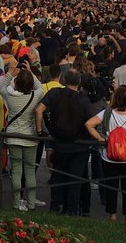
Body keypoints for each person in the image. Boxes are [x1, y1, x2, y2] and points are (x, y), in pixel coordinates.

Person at [36, 68, 94, 216]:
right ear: (79, 82)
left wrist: (40, 130)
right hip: (78, 145)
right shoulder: (83, 100)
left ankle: (55, 206)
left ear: (63, 80)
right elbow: (91, 121)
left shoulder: (55, 94)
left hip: (59, 142)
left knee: (58, 177)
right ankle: (71, 210)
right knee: (75, 180)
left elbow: (39, 110)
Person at [85, 86, 126, 222]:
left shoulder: (107, 113)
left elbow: (88, 124)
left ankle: (112, 214)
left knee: (111, 186)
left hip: (110, 155)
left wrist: (99, 138)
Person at [0, 58, 44, 211]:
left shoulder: (10, 97)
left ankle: (16, 202)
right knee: (30, 170)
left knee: (16, 171)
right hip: (30, 137)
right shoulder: (35, 96)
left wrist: (10, 72)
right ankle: (30, 203)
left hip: (13, 136)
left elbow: (3, 86)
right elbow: (39, 87)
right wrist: (30, 71)